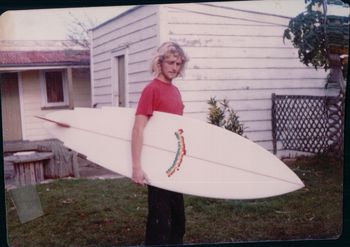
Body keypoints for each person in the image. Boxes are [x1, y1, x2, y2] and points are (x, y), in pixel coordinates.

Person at [131, 41, 188, 245]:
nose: (175, 67)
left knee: (178, 223)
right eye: (171, 62)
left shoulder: (175, 91)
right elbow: (138, 128)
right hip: (157, 163)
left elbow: (177, 129)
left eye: (178, 64)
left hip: (173, 163)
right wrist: (137, 166)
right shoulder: (151, 90)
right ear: (160, 62)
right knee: (160, 225)